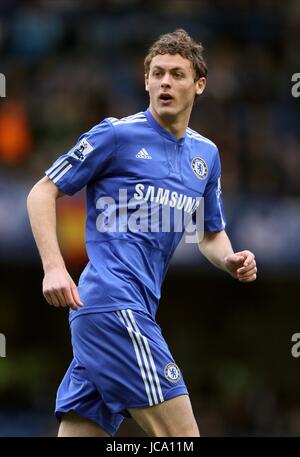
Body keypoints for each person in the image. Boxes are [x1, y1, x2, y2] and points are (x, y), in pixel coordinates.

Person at [27, 29, 257, 437]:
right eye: (157, 73)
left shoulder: (207, 156)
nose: (165, 81)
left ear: (199, 85)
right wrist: (54, 267)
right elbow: (42, 192)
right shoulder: (115, 135)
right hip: (113, 305)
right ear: (146, 81)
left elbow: (208, 234)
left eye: (177, 74)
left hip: (120, 314)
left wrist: (230, 259)